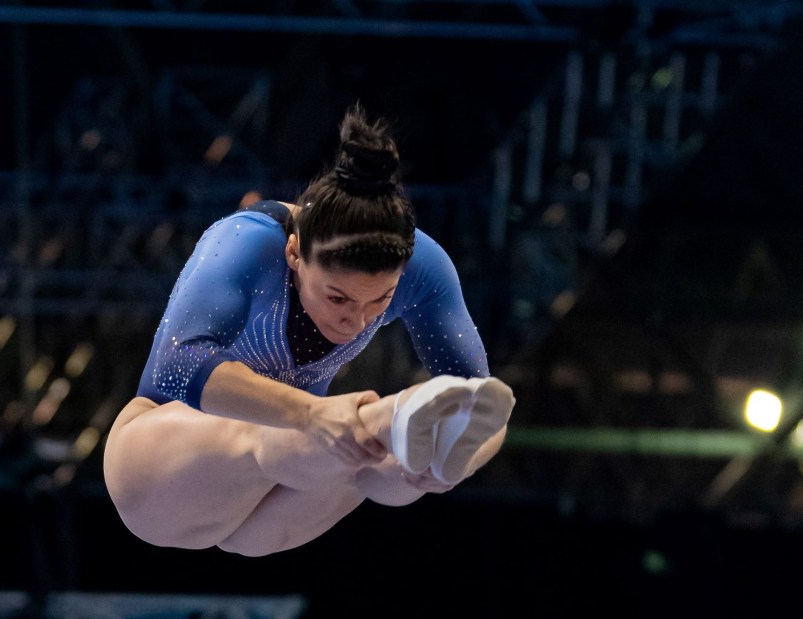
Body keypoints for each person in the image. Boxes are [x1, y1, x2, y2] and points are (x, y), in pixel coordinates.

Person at [102, 106, 514, 557]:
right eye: (337, 298)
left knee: (377, 471)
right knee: (273, 436)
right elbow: (177, 367)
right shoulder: (245, 243)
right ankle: (386, 417)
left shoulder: (423, 268)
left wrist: (455, 465)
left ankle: (396, 435)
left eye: (379, 300)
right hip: (159, 469)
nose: (356, 321)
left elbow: (483, 401)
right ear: (295, 253)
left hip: (284, 479)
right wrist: (310, 414)